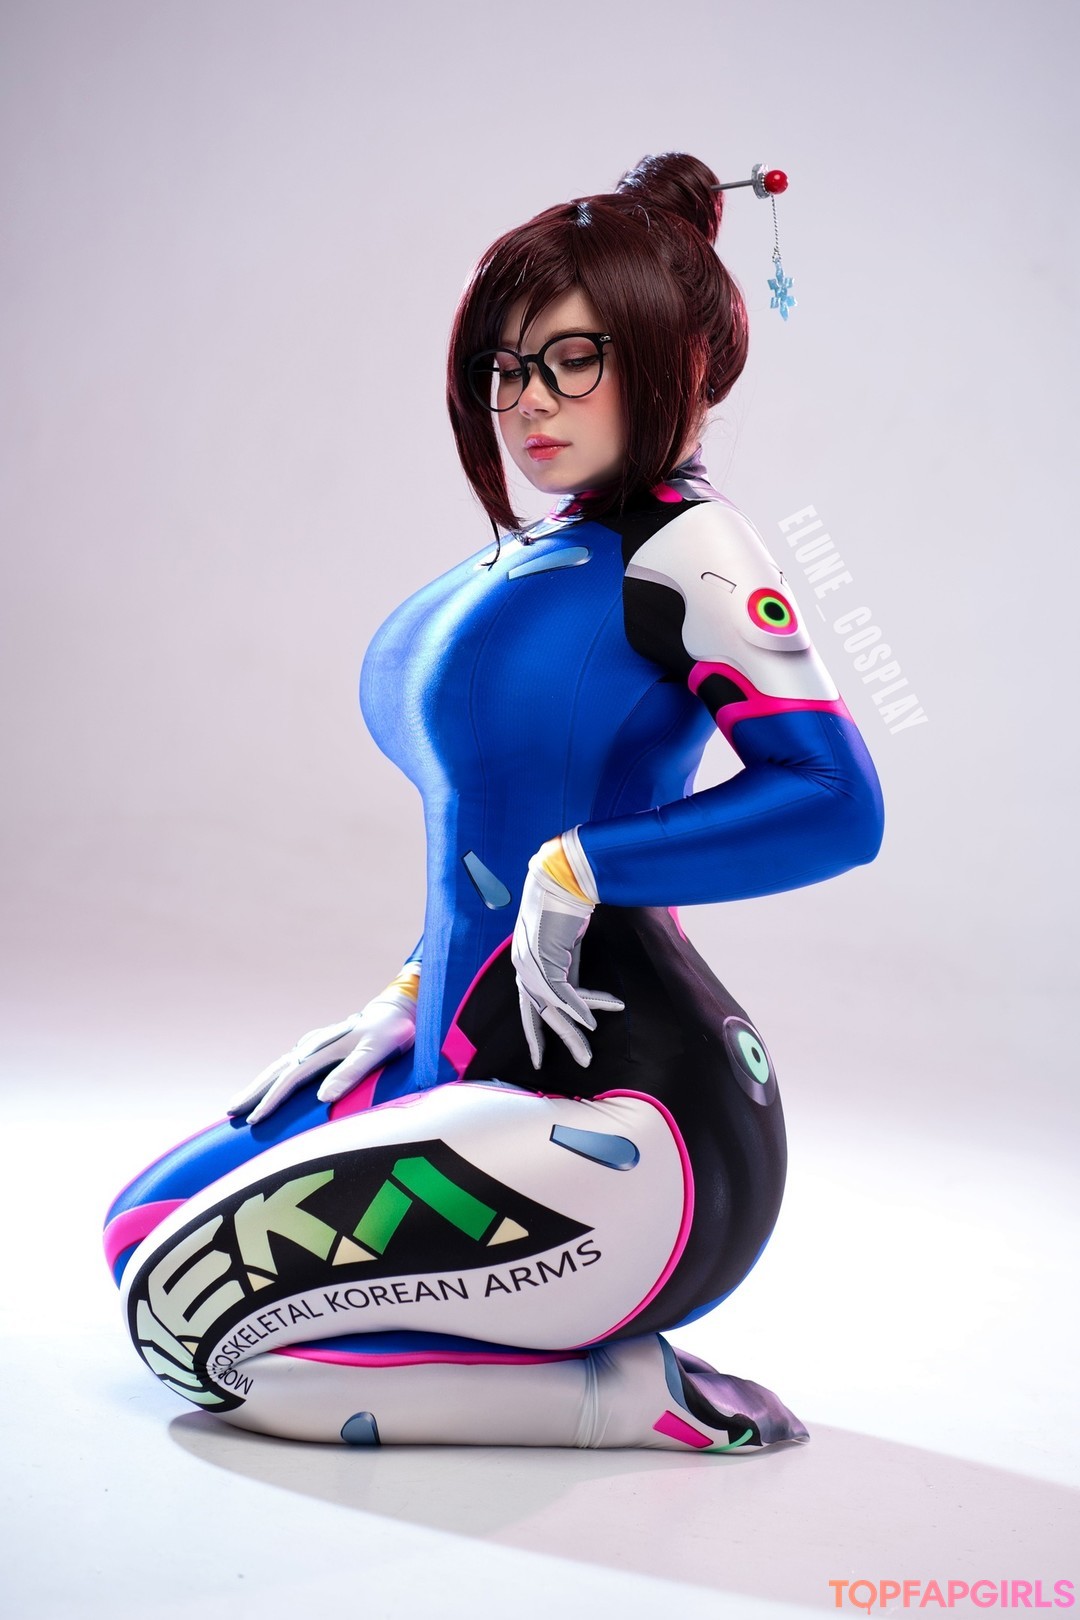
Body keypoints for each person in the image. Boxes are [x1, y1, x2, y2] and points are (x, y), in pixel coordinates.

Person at [104, 152, 884, 1451]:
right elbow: (492, 817)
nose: (527, 401)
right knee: (136, 1232)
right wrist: (413, 990)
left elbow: (835, 802)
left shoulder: (694, 545)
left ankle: (624, 1397)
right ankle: (531, 1333)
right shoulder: (559, 545)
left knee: (182, 1324)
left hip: (631, 1120)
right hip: (471, 1050)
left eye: (572, 360)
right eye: (507, 367)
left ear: (678, 358)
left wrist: (583, 868)